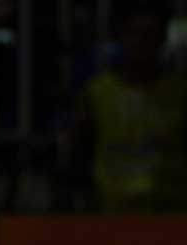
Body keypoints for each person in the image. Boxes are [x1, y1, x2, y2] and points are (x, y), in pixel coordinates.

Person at [74, 1, 187, 211]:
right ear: (122, 36)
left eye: (149, 34)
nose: (141, 42)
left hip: (172, 214)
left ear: (162, 38)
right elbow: (81, 151)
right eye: (134, 33)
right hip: (111, 214)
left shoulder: (180, 92)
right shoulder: (97, 92)